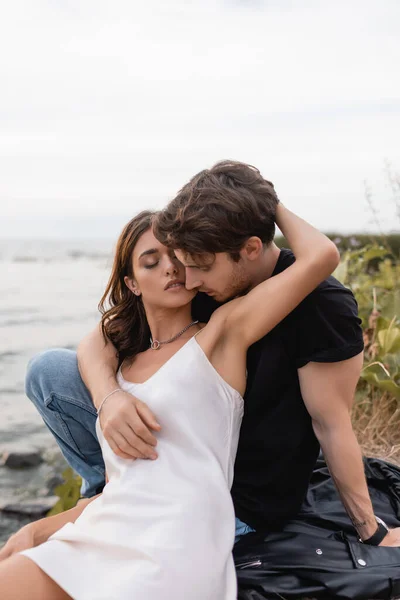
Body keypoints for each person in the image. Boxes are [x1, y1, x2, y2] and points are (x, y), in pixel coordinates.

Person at [0, 202, 338, 599]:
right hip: (111, 520)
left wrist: (263, 200)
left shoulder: (222, 333)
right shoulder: (120, 363)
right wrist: (35, 529)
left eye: (177, 256)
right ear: (132, 284)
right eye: (151, 261)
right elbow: (123, 488)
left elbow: (321, 256)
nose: (170, 268)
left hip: (177, 537)